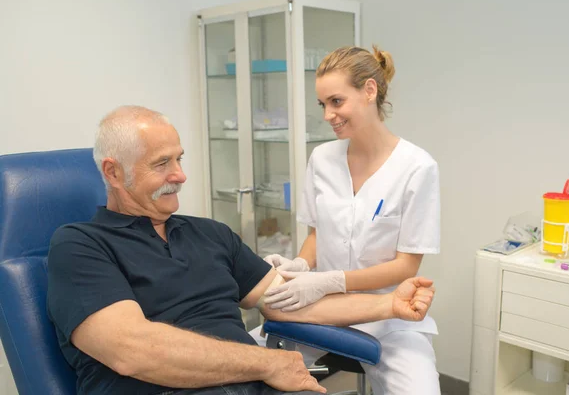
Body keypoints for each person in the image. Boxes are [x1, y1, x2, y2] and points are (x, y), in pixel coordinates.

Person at [46, 105, 436, 395]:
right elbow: (133, 350)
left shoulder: (210, 234)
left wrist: (389, 307)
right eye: (161, 164)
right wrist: (267, 362)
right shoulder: (80, 245)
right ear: (114, 173)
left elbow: (289, 302)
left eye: (180, 159)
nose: (180, 175)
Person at [255, 46, 442, 394]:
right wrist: (300, 264)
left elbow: (406, 267)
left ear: (369, 91)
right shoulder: (322, 158)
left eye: (336, 102)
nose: (328, 114)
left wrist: (330, 280)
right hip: (321, 310)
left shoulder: (417, 167)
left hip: (390, 315)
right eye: (323, 105)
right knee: (247, 366)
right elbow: (317, 235)